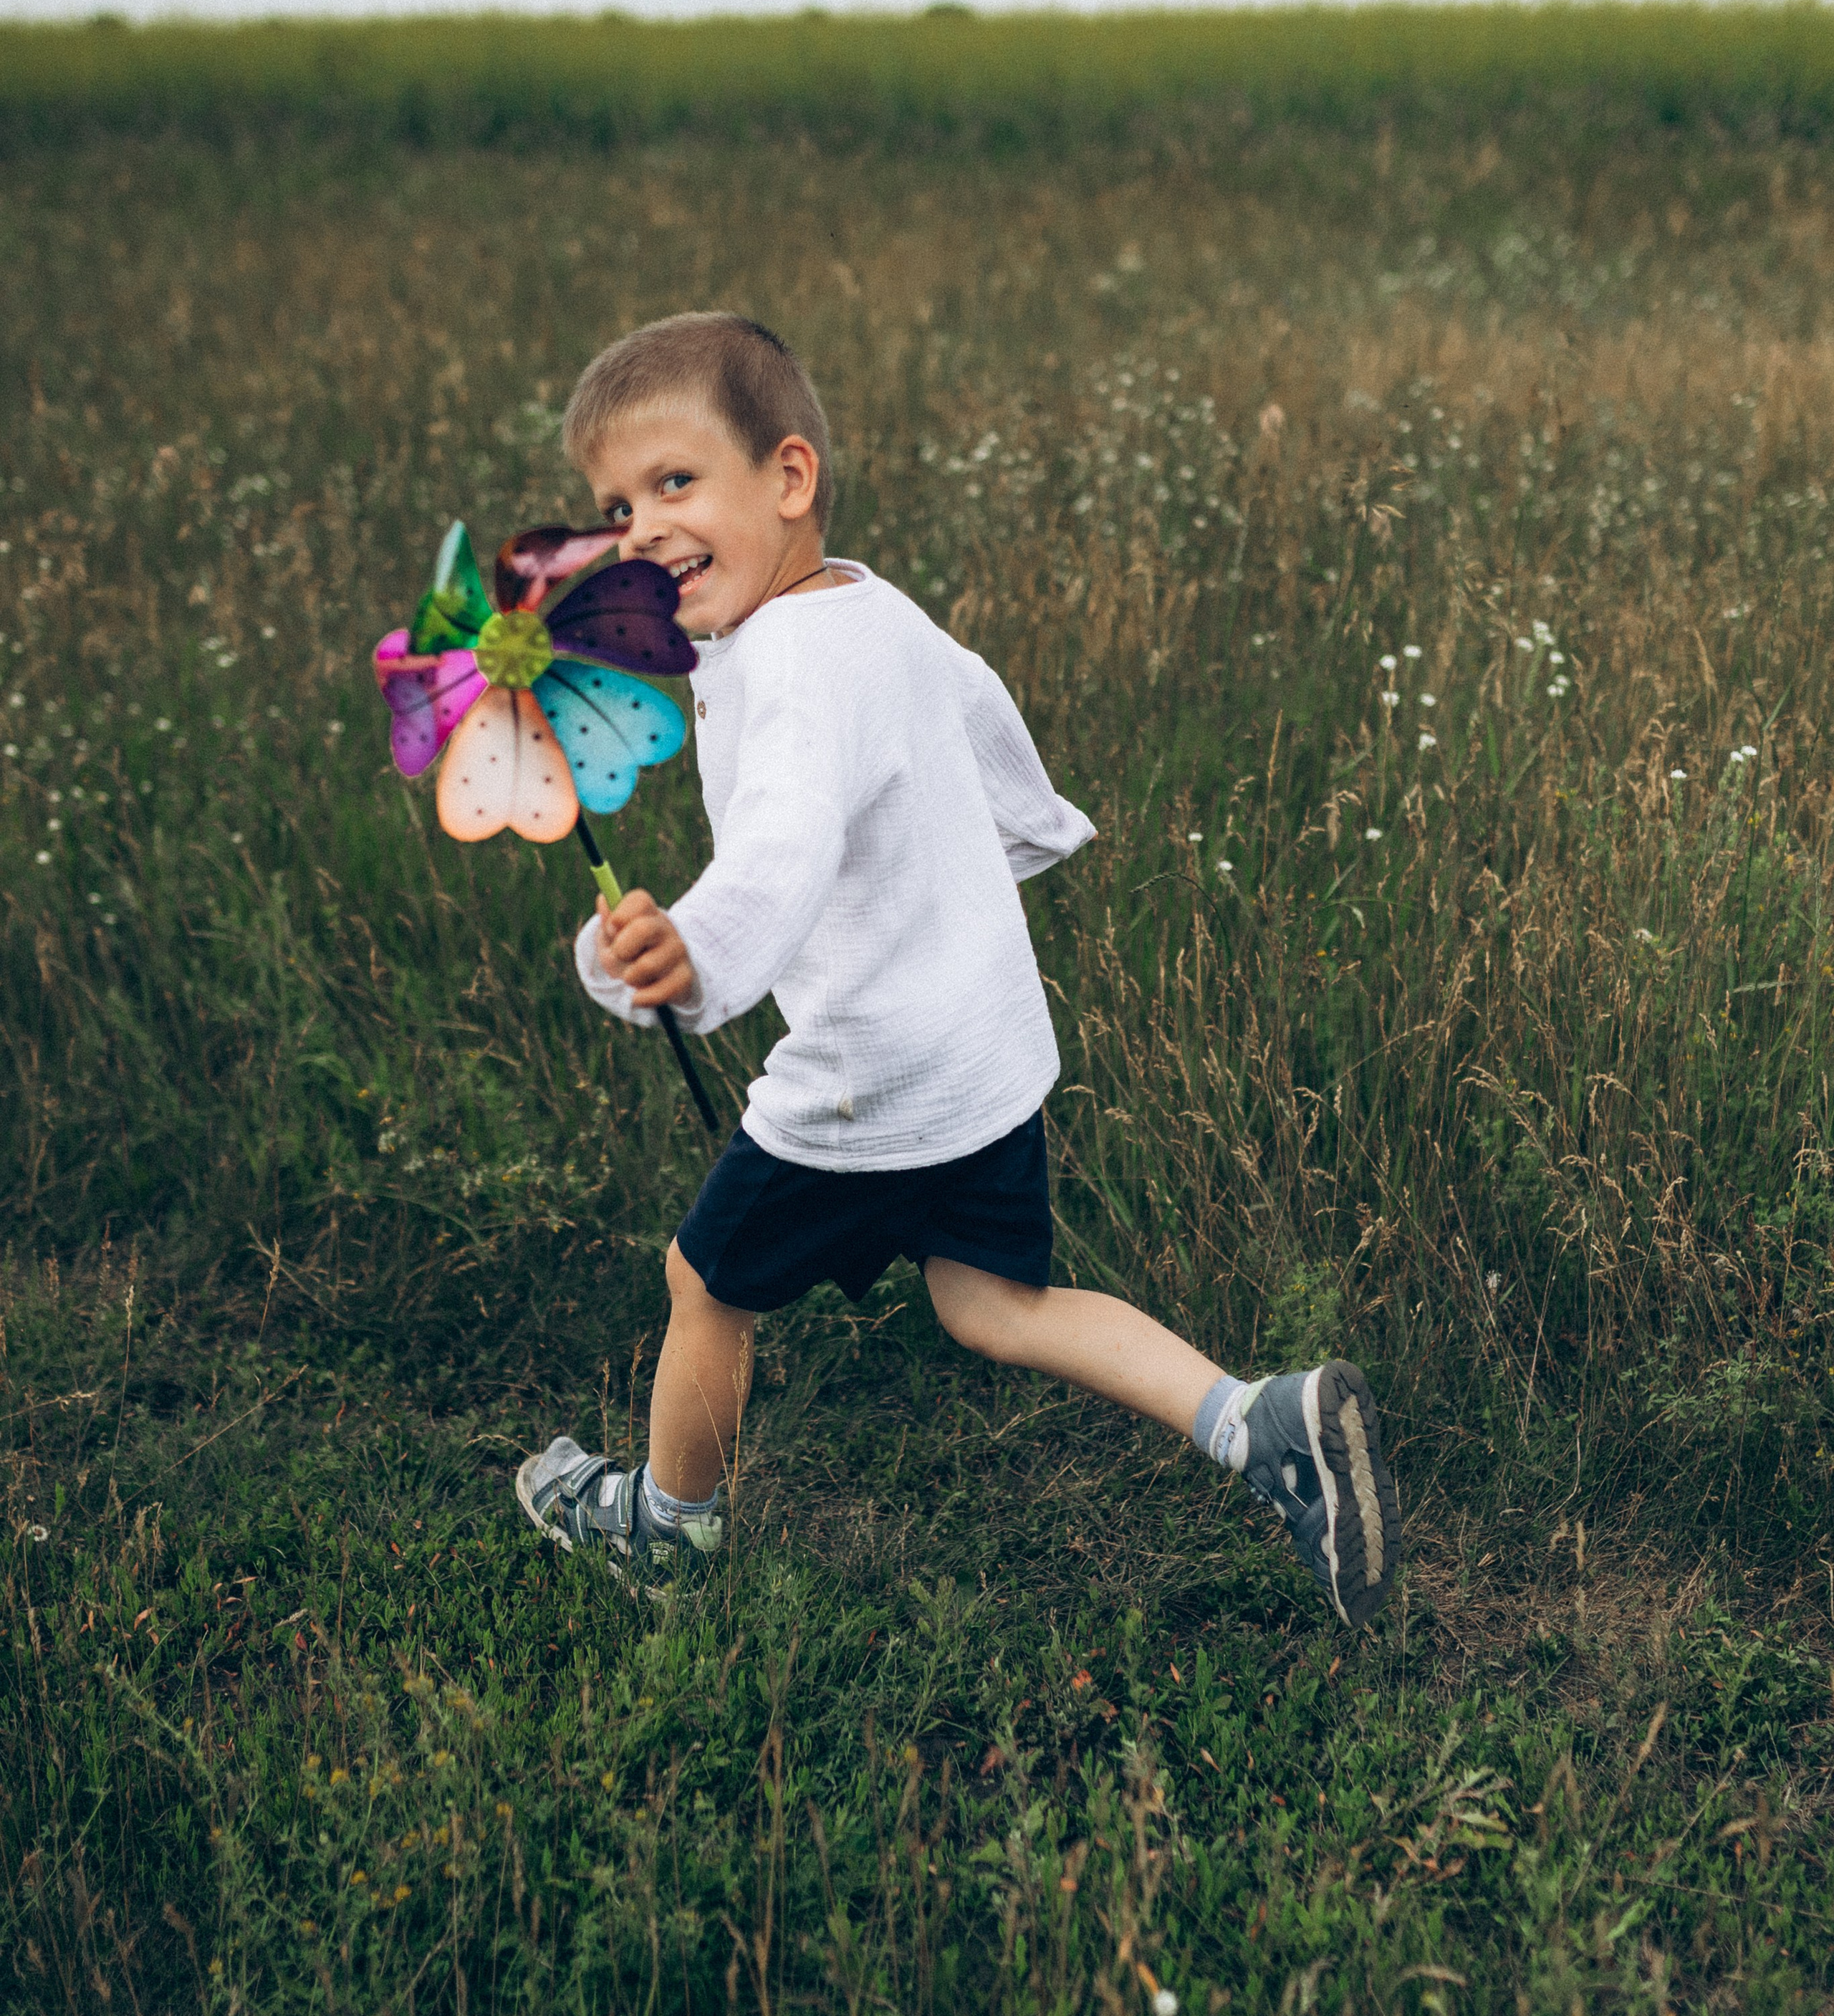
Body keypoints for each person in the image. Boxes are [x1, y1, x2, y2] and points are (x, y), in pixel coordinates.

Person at [517, 312, 1401, 1628]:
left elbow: (785, 840)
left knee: (706, 1283)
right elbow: (971, 698)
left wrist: (693, 956)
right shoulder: (863, 605)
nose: (640, 528)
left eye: (676, 483)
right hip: (980, 1051)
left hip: (866, 1082)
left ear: (789, 478)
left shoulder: (796, 664)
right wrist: (1023, 824)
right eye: (613, 506)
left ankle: (670, 1534)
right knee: (993, 1300)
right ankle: (1257, 1423)